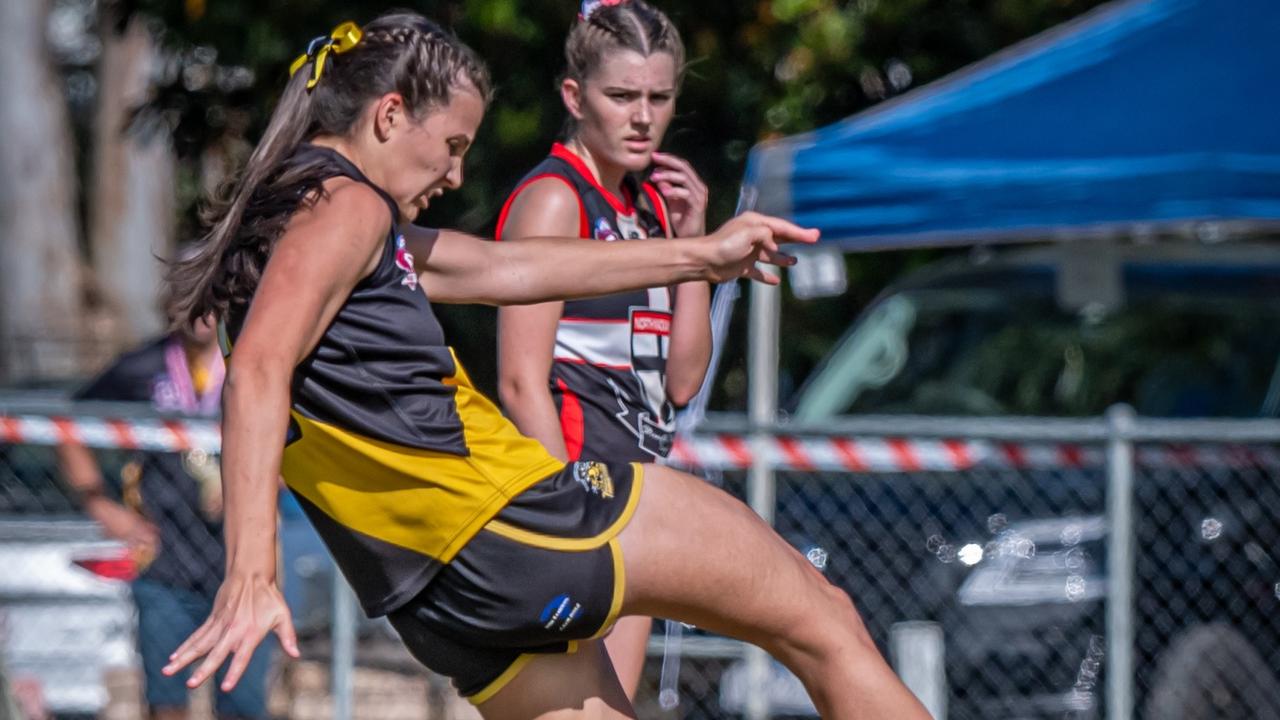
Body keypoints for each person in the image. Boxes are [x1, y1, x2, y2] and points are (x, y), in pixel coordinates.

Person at [161, 13, 931, 720]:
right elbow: (259, 371)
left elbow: (505, 268)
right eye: (453, 146)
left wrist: (703, 253)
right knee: (822, 623)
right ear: (389, 116)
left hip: (439, 600)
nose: (457, 176)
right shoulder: (348, 205)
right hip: (513, 525)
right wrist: (250, 570)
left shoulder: (286, 223)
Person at [495, 0, 708, 698]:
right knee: (569, 707)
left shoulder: (649, 209)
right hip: (583, 504)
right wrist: (567, 521)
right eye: (621, 96)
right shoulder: (556, 200)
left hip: (641, 493)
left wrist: (693, 245)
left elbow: (682, 382)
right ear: (573, 96)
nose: (642, 116)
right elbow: (521, 381)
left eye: (659, 97)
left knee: (611, 706)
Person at [57, 308, 273, 720]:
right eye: (188, 298)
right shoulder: (144, 365)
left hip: (242, 562)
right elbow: (68, 425)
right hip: (163, 563)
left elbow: (296, 442)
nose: (200, 312)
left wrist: (252, 485)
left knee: (243, 706)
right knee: (166, 704)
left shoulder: (254, 362)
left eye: (211, 299)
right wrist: (100, 504)